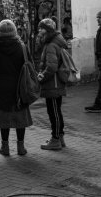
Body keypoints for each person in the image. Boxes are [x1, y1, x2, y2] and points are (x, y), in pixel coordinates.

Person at [0, 19, 33, 156]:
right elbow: (29, 65)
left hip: (1, 88)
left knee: (4, 118)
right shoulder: (22, 47)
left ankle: (4, 147)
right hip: (20, 88)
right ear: (14, 32)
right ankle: (20, 147)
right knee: (20, 117)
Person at [37, 18, 68, 150]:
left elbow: (51, 67)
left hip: (53, 84)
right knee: (56, 111)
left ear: (48, 30)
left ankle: (55, 139)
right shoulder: (55, 42)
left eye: (42, 28)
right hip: (56, 83)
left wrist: (42, 76)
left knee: (53, 112)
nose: (39, 31)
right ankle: (60, 137)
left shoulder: (51, 45)